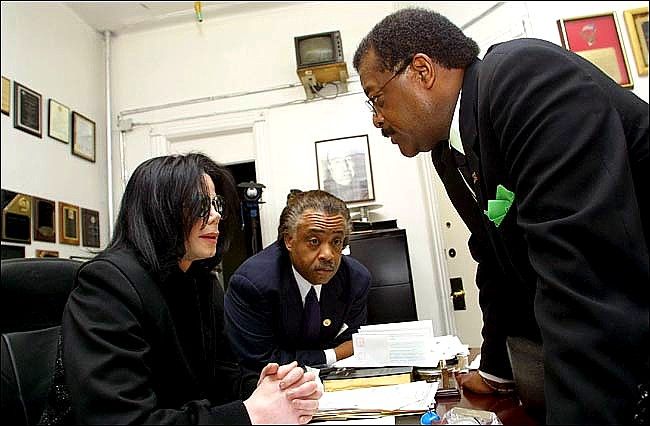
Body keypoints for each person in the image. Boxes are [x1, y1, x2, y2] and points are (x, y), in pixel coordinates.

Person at [353, 7, 648, 425]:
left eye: (377, 99)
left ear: (422, 71)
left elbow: (581, 272)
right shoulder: (449, 155)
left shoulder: (521, 77)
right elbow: (495, 258)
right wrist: (495, 369)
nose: (377, 119)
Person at [40, 153, 322, 425]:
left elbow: (221, 376)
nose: (216, 216)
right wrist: (251, 414)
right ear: (159, 211)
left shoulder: (202, 282)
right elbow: (120, 418)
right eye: (200, 204)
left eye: (216, 204)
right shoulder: (108, 285)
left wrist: (267, 389)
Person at [224, 189, 372, 372]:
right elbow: (261, 360)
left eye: (336, 242)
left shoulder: (356, 279)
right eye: (314, 241)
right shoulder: (253, 283)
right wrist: (332, 355)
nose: (328, 255)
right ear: (289, 240)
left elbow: (353, 344)